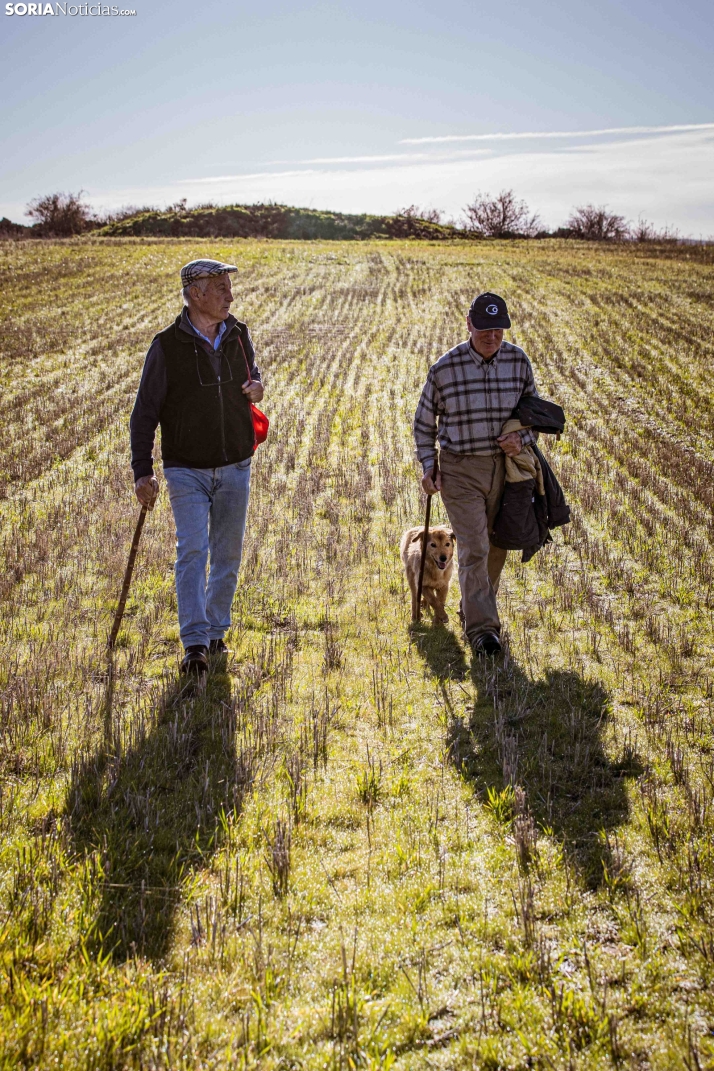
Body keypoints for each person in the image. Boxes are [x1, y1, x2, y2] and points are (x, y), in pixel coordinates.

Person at [130, 259, 264, 675]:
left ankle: (216, 631)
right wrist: (142, 470)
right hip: (185, 468)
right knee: (192, 550)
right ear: (195, 294)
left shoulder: (238, 334)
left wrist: (257, 386)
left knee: (227, 553)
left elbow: (253, 377)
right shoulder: (166, 346)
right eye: (221, 287)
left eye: (229, 286)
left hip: (235, 464)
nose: (230, 295)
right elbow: (144, 412)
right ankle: (194, 643)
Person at [413, 292, 538, 656]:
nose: (492, 336)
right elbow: (423, 424)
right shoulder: (445, 368)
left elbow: (536, 417)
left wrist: (522, 437)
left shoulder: (518, 361)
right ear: (469, 324)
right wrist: (427, 465)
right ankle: (483, 631)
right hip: (459, 468)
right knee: (475, 545)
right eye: (485, 329)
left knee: (498, 543)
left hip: (505, 467)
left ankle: (472, 609)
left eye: (499, 330)